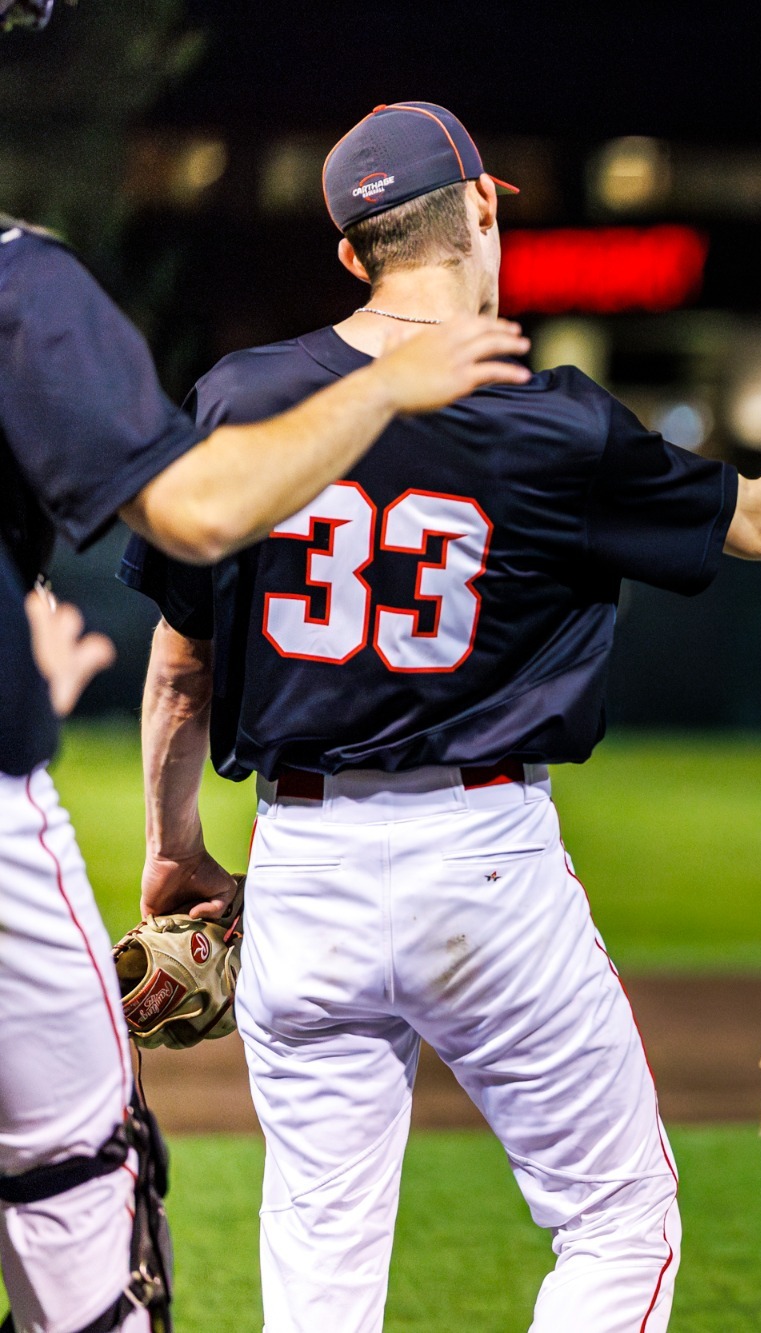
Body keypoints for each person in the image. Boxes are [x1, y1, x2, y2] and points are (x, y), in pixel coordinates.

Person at [118, 100, 761, 1332]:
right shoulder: (550, 419)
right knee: (617, 1220)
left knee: (319, 1261)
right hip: (480, 861)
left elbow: (181, 668)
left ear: (350, 251)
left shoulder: (245, 395)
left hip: (303, 863)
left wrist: (177, 848)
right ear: (483, 208)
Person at [0, 60, 528, 1333]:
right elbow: (198, 509)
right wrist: (388, 386)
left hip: (317, 855)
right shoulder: (20, 280)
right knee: (76, 1174)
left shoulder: (198, 360)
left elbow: (180, 660)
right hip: (456, 842)